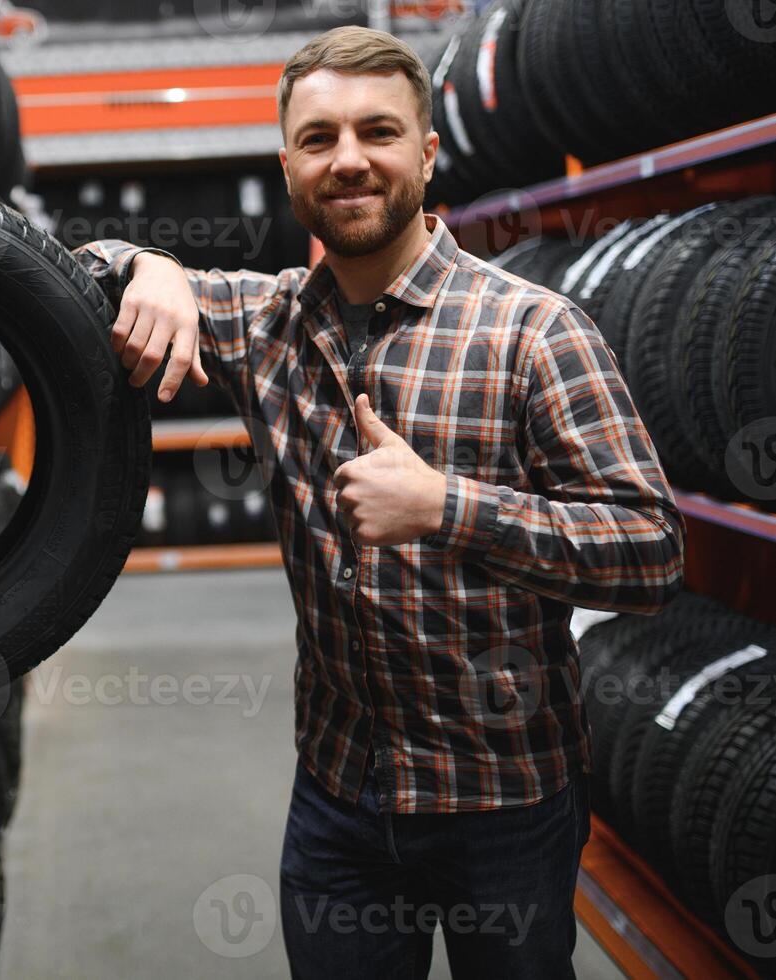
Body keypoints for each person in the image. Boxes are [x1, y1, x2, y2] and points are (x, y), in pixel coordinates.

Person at [72, 24, 686, 980]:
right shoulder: (265, 321)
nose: (348, 160)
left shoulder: (532, 332)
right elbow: (76, 262)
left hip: (505, 807)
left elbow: (649, 551)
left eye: (377, 133)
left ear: (426, 154)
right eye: (318, 139)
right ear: (287, 166)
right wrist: (145, 263)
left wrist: (447, 507)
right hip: (339, 806)